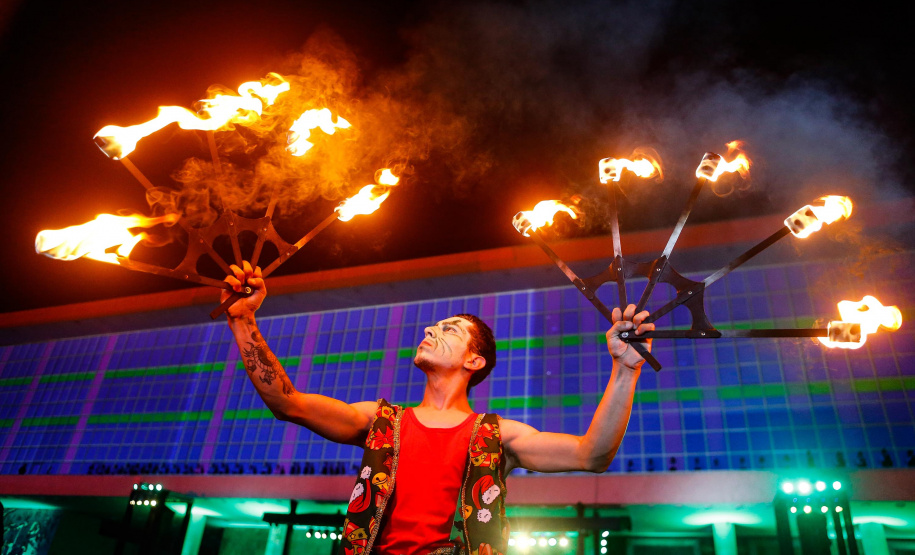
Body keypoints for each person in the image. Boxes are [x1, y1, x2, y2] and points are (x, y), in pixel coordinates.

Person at [223, 262, 654, 555]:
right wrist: (243, 319)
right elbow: (287, 403)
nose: (430, 328)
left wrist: (624, 369)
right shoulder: (380, 421)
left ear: (474, 360)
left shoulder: (499, 434)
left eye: (449, 329)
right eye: (434, 324)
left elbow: (592, 454)